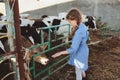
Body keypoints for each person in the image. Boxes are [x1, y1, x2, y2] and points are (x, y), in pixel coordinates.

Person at [51, 8, 89, 80]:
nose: (70, 24)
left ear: (76, 19)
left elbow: (73, 49)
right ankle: (84, 76)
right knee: (81, 68)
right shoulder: (82, 26)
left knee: (78, 73)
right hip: (84, 50)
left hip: (79, 54)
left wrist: (60, 53)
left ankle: (83, 77)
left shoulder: (78, 32)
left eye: (71, 22)